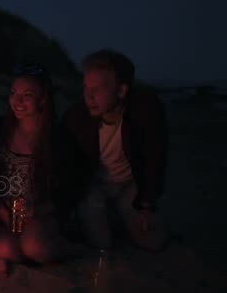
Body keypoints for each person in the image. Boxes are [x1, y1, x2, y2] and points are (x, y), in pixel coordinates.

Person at [57, 49, 167, 251]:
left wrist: (147, 206)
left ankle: (119, 215)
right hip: (94, 185)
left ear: (121, 90)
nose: (88, 96)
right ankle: (102, 218)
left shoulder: (145, 111)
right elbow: (63, 164)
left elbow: (155, 160)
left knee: (152, 242)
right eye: (86, 88)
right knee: (102, 246)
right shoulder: (76, 116)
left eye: (97, 89)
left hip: (130, 185)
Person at [0, 64, 89, 264]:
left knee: (34, 248)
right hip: (1, 210)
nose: (17, 101)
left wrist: (39, 210)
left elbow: (72, 186)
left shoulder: (57, 137)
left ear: (43, 98)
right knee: (8, 252)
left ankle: (74, 249)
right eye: (13, 93)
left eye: (27, 95)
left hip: (40, 212)